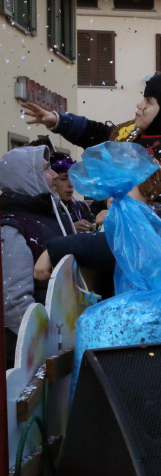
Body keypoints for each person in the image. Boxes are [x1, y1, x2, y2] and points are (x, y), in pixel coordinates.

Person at [21, 70, 161, 246]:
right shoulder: (139, 132)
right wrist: (58, 121)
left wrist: (115, 218)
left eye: (148, 101)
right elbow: (101, 135)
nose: (138, 105)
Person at [1, 145, 76, 368]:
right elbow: (14, 301)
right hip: (31, 357)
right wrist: (48, 343)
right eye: (46, 169)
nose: (53, 175)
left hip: (58, 343)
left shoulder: (50, 213)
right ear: (26, 176)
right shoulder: (11, 227)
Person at [49, 152, 96, 233]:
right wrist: (69, 229)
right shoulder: (46, 210)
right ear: (51, 180)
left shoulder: (81, 208)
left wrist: (93, 227)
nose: (71, 184)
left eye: (72, 178)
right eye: (64, 179)